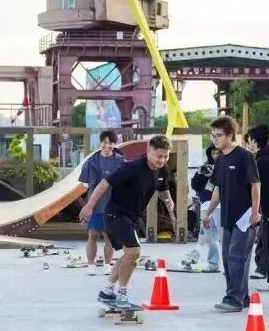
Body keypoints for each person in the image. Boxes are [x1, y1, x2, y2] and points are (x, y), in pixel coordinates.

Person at [80, 135, 175, 310]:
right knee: (134, 252)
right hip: (115, 214)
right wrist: (89, 206)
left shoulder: (163, 170)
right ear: (149, 151)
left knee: (129, 255)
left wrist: (168, 200)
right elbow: (104, 184)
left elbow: (162, 189)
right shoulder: (131, 167)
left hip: (131, 217)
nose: (162, 160)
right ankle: (121, 295)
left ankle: (107, 291)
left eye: (166, 156)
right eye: (159, 156)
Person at [202, 116, 261, 311]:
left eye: (218, 135)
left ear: (230, 135)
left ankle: (233, 298)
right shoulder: (220, 160)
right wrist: (208, 213)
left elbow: (255, 185)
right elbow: (217, 189)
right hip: (227, 216)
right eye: (213, 135)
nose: (215, 139)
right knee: (228, 258)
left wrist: (255, 212)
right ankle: (242, 296)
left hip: (245, 217)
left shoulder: (245, 156)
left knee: (237, 257)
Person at [245, 124, 269, 291]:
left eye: (249, 140)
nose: (248, 143)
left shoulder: (264, 161)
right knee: (267, 243)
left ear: (254, 140)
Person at [79, 130, 124, 267]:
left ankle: (107, 265)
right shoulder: (90, 162)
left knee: (109, 236)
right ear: (100, 143)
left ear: (115, 144)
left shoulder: (121, 161)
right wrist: (85, 205)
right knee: (92, 234)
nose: (107, 146)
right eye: (105, 142)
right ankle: (90, 266)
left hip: (112, 205)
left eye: (111, 143)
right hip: (94, 206)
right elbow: (83, 186)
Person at [188, 145, 221, 271]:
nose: (215, 156)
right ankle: (213, 263)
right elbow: (195, 185)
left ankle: (229, 264)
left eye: (218, 153)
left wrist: (216, 174)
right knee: (208, 235)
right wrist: (203, 174)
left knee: (224, 236)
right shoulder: (205, 166)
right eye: (213, 153)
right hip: (206, 203)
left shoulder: (227, 165)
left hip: (222, 204)